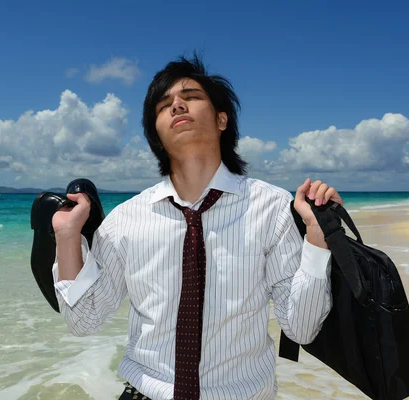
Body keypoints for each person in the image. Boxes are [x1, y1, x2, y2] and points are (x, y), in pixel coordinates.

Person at [51, 54, 342, 400]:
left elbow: (303, 328)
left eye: (191, 97)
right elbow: (83, 320)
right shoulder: (125, 220)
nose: (176, 105)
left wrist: (318, 239)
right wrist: (68, 237)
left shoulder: (272, 208)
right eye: (163, 105)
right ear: (156, 136)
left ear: (222, 119)